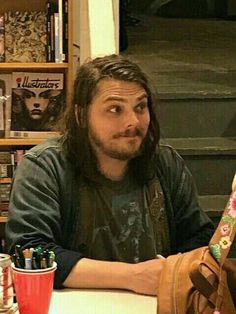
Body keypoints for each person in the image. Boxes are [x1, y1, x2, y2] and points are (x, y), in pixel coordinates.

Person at [5, 54, 214, 295]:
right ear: (81, 115)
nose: (132, 121)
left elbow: (200, 237)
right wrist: (134, 276)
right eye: (115, 109)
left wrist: (174, 270)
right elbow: (30, 252)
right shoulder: (44, 167)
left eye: (140, 107)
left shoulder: (165, 163)